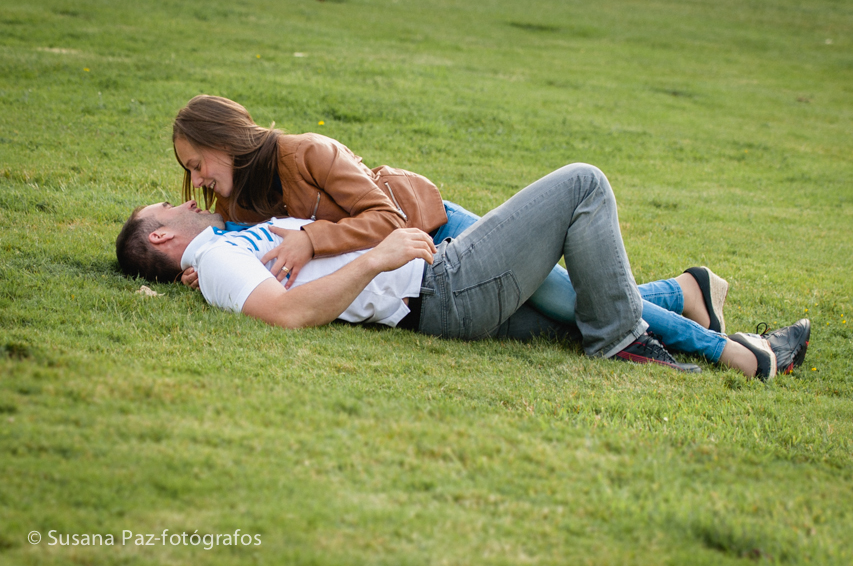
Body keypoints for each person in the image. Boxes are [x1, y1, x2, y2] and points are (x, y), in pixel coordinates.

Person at [169, 95, 784, 370]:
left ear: (226, 140)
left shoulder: (308, 151)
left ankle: (718, 349)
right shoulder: (241, 204)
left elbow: (384, 219)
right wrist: (197, 267)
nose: (196, 179)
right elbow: (245, 251)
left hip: (434, 230)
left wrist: (310, 241)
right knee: (569, 308)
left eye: (197, 163)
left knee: (571, 299)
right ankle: (686, 293)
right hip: (412, 266)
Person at [118, 163, 810, 380]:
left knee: (573, 304)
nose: (186, 199)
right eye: (170, 205)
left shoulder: (228, 241)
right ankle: (632, 336)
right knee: (583, 186)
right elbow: (285, 313)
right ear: (160, 235)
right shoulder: (214, 261)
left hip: (438, 282)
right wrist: (381, 258)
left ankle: (688, 299)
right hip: (442, 287)